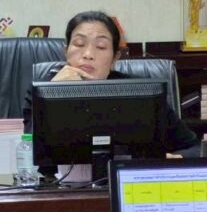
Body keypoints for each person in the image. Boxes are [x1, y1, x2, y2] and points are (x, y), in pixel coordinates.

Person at [24, 11, 197, 155]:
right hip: (60, 185)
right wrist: (52, 95)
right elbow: (28, 151)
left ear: (115, 58)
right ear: (66, 52)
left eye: (100, 47)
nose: (88, 54)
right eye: (79, 44)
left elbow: (194, 148)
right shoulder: (40, 93)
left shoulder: (141, 94)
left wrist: (177, 158)